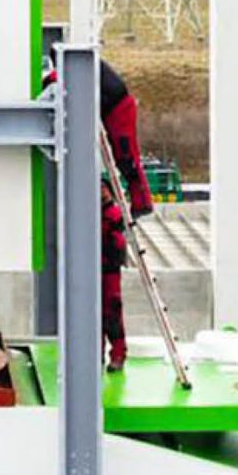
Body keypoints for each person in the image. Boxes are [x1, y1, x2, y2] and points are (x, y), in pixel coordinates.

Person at [99, 59, 151, 373]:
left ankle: (117, 353)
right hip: (102, 257)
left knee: (128, 158)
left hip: (107, 258)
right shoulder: (104, 209)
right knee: (99, 308)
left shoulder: (109, 212)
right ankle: (102, 353)